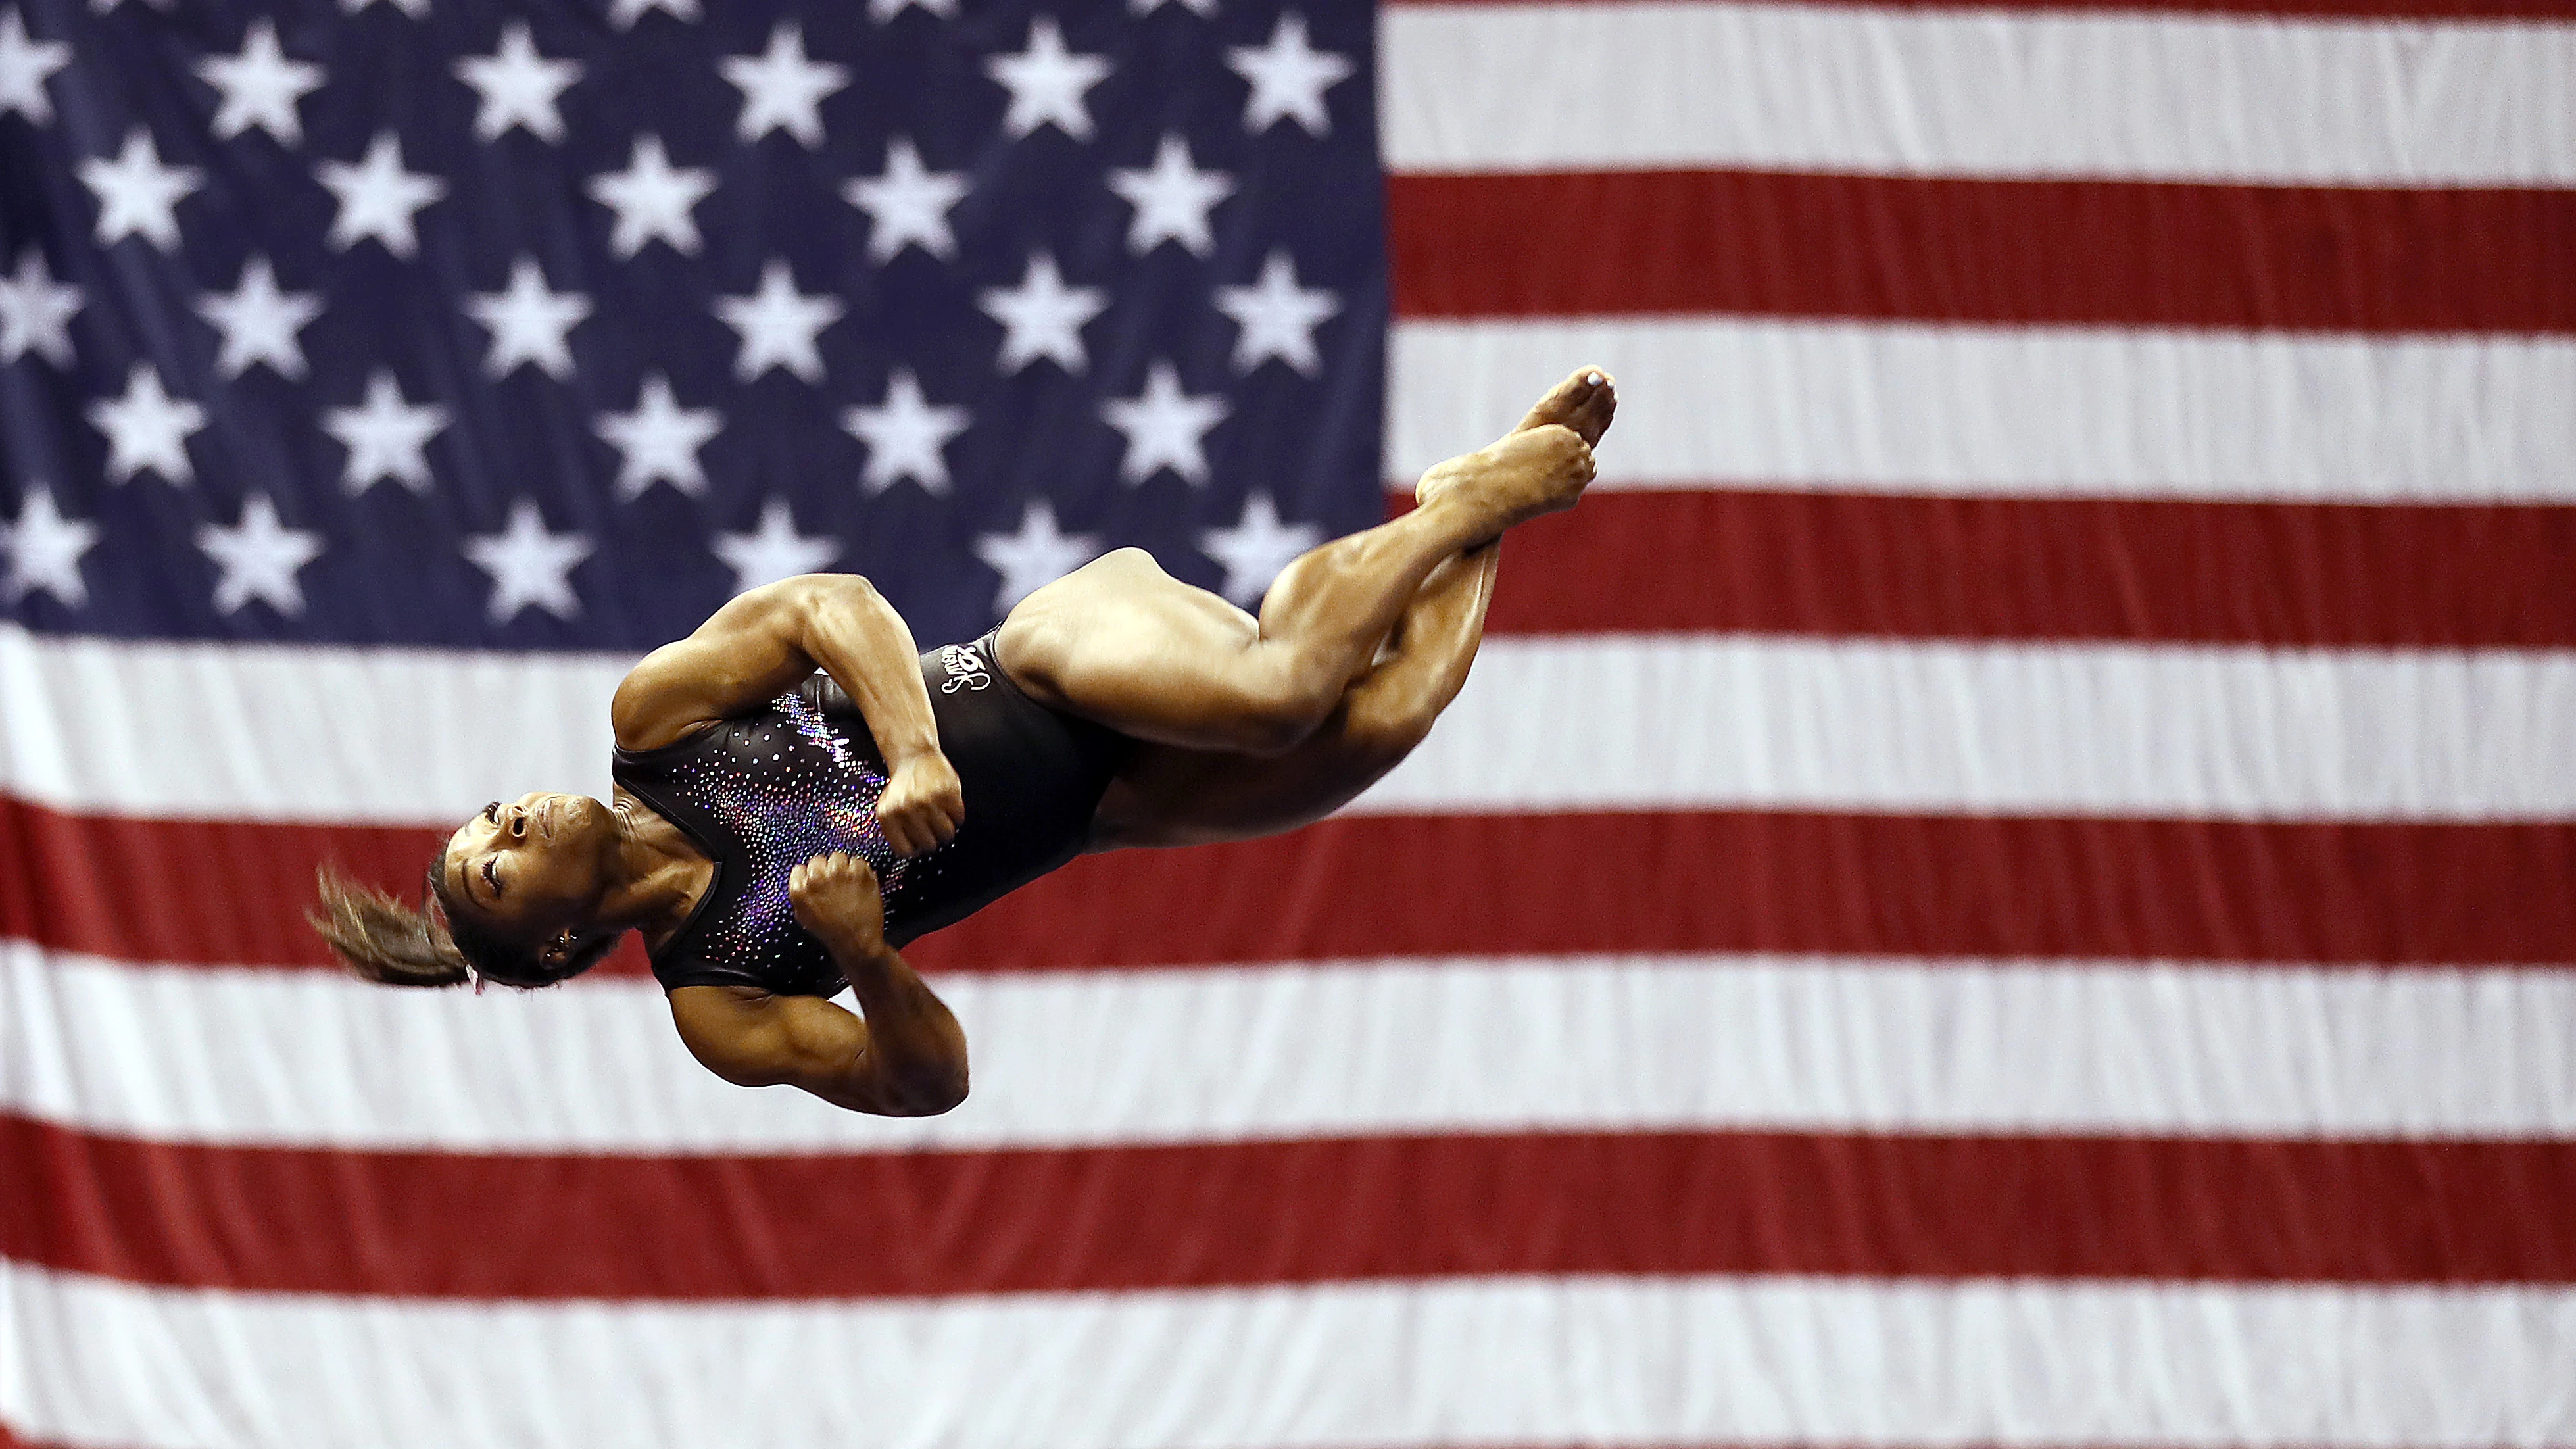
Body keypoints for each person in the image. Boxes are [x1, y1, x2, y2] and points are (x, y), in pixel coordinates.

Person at [314, 369, 1617, 1117]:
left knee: (1284, 692)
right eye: (494, 867)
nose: (508, 826)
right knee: (1388, 717)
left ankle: (1473, 495)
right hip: (1112, 803)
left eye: (487, 817)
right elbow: (921, 1085)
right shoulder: (718, 997)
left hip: (1049, 655)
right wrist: (863, 956)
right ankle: (1472, 516)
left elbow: (833, 603)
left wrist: (915, 750)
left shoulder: (656, 728)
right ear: (553, 941)